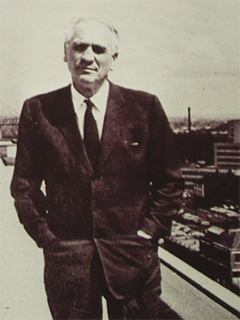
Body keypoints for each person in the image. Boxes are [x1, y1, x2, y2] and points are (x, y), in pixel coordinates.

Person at [11, 18, 184, 320]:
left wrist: (148, 234)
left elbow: (170, 182)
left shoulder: (145, 108)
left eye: (99, 49)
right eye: (79, 47)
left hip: (133, 264)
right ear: (65, 54)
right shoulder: (38, 110)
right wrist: (48, 238)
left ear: (113, 59)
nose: (88, 57)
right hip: (69, 266)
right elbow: (24, 187)